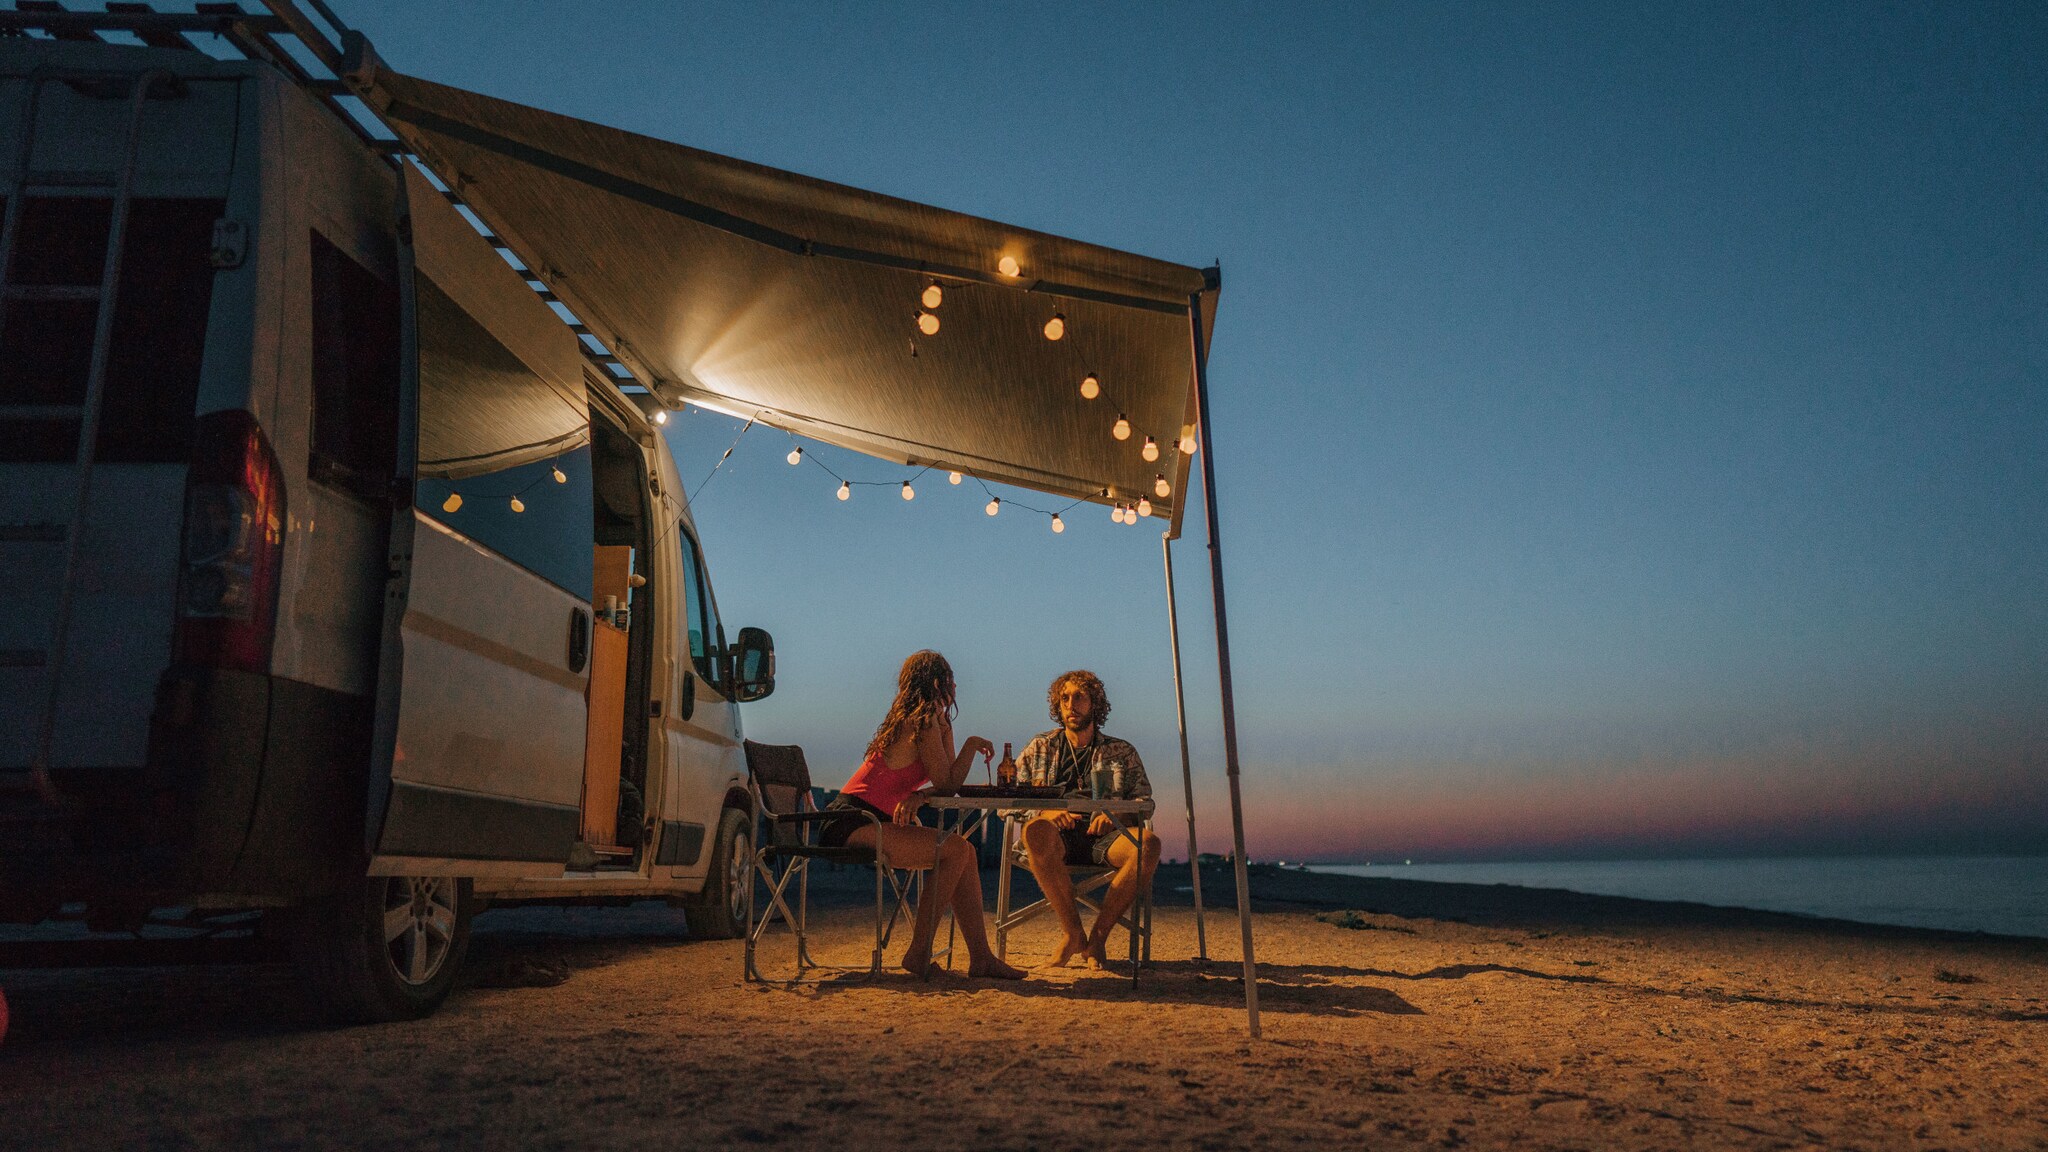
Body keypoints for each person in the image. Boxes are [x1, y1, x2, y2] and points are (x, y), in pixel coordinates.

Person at [817, 651, 1027, 980]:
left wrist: (922, 793)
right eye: (950, 677)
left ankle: (982, 958)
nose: (956, 684)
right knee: (955, 849)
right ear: (936, 682)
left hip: (872, 820)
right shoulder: (924, 718)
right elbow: (947, 783)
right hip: (851, 821)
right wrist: (968, 746)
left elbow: (945, 786)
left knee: (965, 852)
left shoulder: (934, 720)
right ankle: (919, 953)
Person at [1014, 670, 1159, 969]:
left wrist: (1116, 813)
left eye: (1079, 696)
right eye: (1064, 698)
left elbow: (1145, 802)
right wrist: (1045, 812)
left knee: (1149, 845)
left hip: (1105, 834)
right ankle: (1073, 934)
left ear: (1095, 703)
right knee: (1036, 831)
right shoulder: (1039, 748)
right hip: (1057, 836)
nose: (1070, 704)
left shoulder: (1121, 751)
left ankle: (1098, 939)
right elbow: (1009, 800)